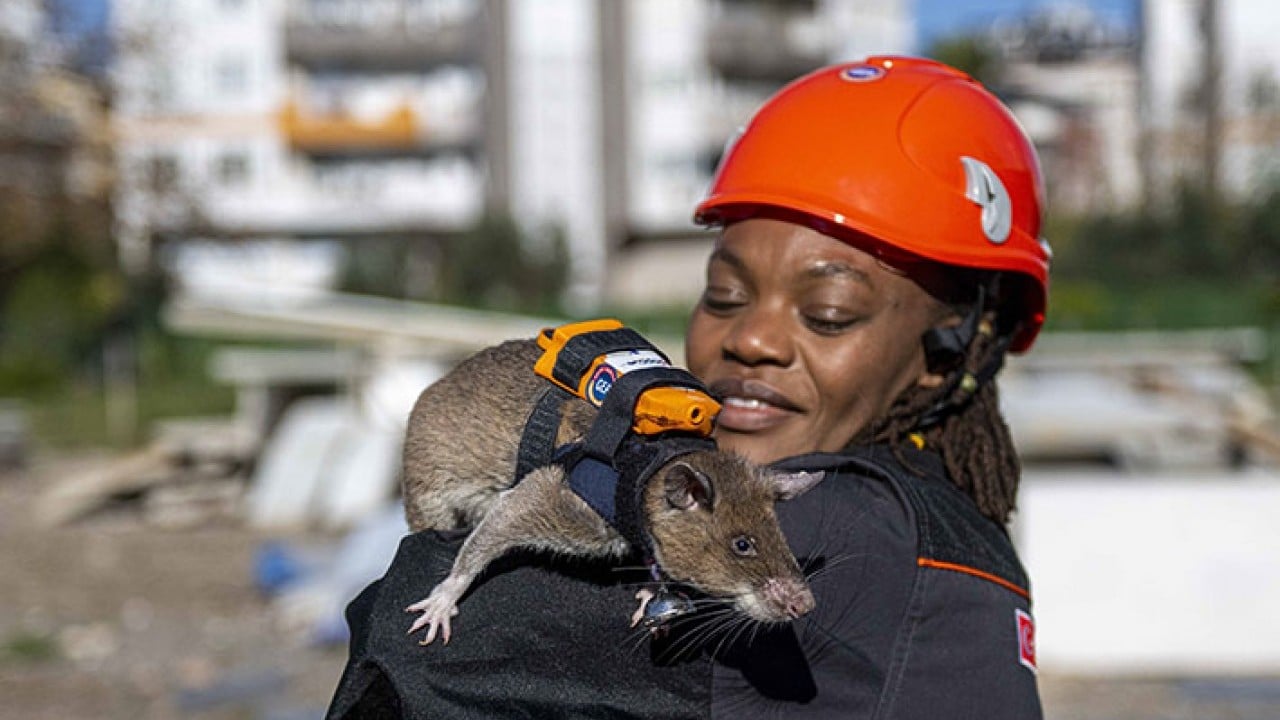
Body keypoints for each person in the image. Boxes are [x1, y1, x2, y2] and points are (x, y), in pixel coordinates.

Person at [328, 55, 1049, 719]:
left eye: (829, 312)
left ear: (956, 342)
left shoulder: (832, 527)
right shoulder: (957, 532)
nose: (751, 339)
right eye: (724, 296)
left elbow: (406, 659)